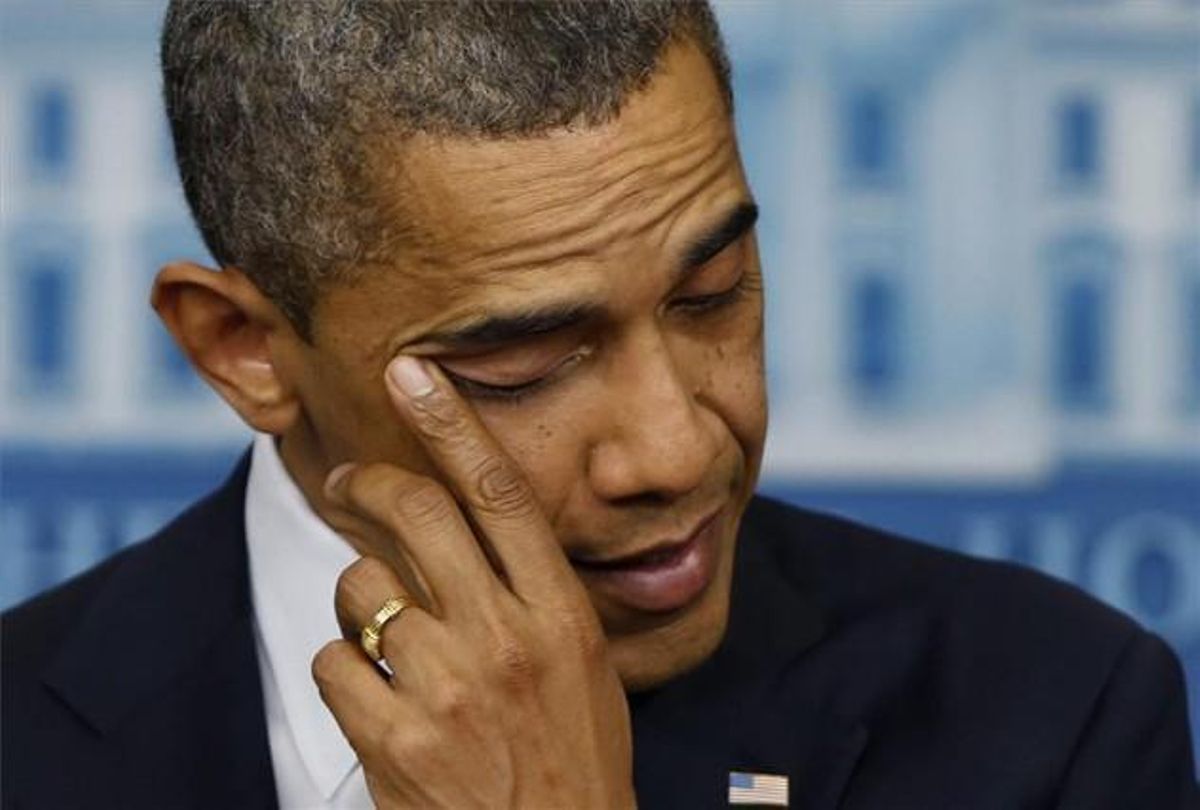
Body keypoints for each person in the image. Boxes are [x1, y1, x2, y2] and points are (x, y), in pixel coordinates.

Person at [3, 2, 1197, 808]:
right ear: (246, 350)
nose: (679, 449)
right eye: (521, 365)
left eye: (714, 294)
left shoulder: (1051, 722)